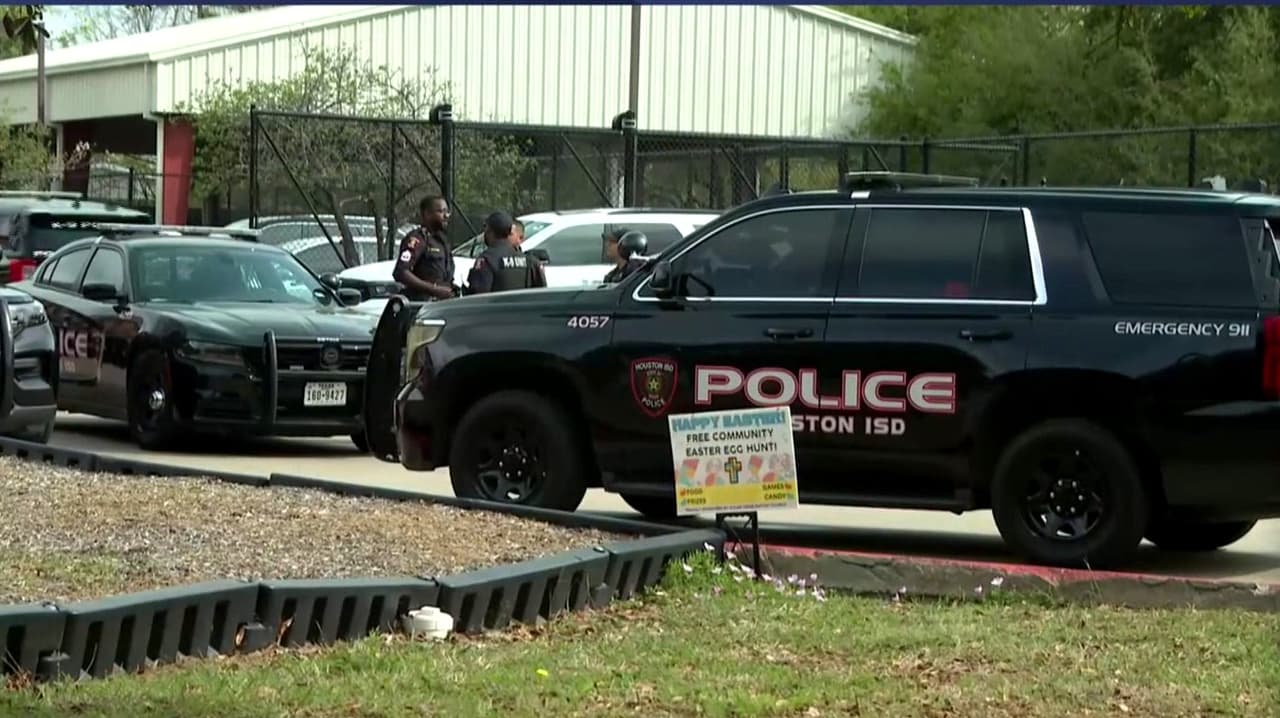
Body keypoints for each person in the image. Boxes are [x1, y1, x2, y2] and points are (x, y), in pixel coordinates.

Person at [392, 196, 456, 301]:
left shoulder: (442, 241)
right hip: (421, 304)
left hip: (441, 304)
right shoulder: (417, 239)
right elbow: (401, 272)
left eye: (447, 211)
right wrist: (433, 289)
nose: (446, 216)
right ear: (427, 214)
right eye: (441, 211)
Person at [465, 211, 539, 295]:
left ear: (489, 230)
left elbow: (478, 296)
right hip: (522, 308)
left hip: (495, 307)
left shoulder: (487, 260)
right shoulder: (529, 261)